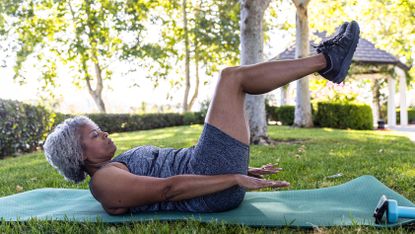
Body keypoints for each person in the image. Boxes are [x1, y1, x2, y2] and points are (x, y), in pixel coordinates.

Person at [43, 21, 360, 215]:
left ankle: (327, 61)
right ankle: (327, 60)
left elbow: (168, 173)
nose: (105, 133)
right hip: (208, 183)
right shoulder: (103, 181)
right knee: (231, 79)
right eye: (95, 135)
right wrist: (233, 178)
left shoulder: (115, 167)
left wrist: (241, 169)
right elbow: (167, 189)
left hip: (208, 172)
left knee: (232, 79)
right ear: (79, 155)